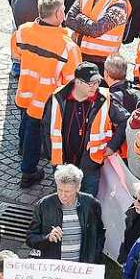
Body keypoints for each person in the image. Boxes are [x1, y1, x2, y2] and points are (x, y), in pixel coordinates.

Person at [11, 0, 81, 187]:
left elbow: (16, 54)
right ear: (58, 14)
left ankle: (22, 149)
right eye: (64, 10)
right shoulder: (67, 46)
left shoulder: (23, 31)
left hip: (25, 91)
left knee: (25, 122)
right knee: (35, 131)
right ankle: (28, 172)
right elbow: (70, 80)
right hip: (45, 100)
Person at [44, 63, 125, 196]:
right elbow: (46, 128)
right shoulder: (58, 97)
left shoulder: (104, 98)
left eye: (97, 82)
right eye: (90, 83)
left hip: (91, 163)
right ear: (78, 82)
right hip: (62, 163)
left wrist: (112, 146)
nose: (95, 86)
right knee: (64, 198)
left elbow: (124, 121)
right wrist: (50, 155)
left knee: (88, 202)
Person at [27, 164, 106, 261]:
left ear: (78, 188)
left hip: (82, 269)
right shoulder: (43, 205)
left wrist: (95, 256)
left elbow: (99, 234)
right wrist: (47, 238)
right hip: (54, 268)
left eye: (68, 191)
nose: (63, 195)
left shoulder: (91, 204)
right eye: (60, 190)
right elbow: (30, 238)